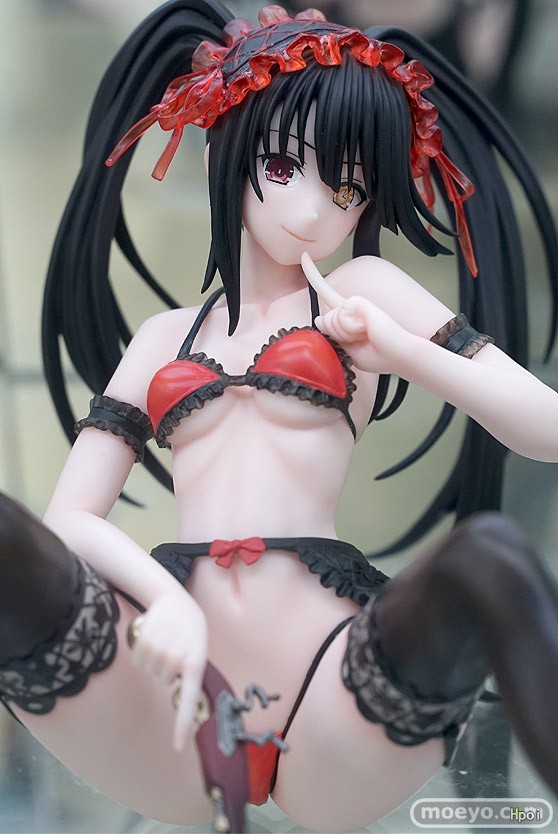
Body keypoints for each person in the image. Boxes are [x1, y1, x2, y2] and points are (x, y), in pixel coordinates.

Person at [1, 2, 558, 832]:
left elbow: (547, 429)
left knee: (493, 561)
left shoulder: (363, 291)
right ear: (224, 152)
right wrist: (163, 602)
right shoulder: (163, 337)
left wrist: (403, 353)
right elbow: (70, 520)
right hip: (171, 692)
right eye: (283, 166)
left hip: (332, 697)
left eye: (348, 187)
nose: (315, 211)